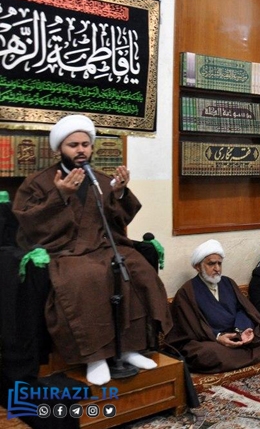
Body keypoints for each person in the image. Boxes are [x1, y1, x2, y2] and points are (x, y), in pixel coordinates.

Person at [12, 114, 171, 386]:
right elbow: (29, 224)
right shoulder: (38, 182)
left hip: (103, 246)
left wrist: (120, 193)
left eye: (85, 144)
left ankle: (131, 347)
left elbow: (118, 220)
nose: (81, 150)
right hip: (64, 251)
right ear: (59, 149)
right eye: (73, 145)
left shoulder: (101, 180)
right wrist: (59, 196)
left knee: (136, 268)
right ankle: (95, 357)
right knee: (85, 278)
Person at [165, 240, 260, 373]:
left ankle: (237, 353)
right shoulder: (187, 291)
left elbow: (242, 309)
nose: (217, 268)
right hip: (209, 339)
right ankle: (243, 355)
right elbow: (190, 326)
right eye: (211, 264)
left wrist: (244, 330)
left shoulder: (228, 282)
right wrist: (217, 337)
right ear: (198, 267)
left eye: (219, 263)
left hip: (236, 332)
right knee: (209, 353)